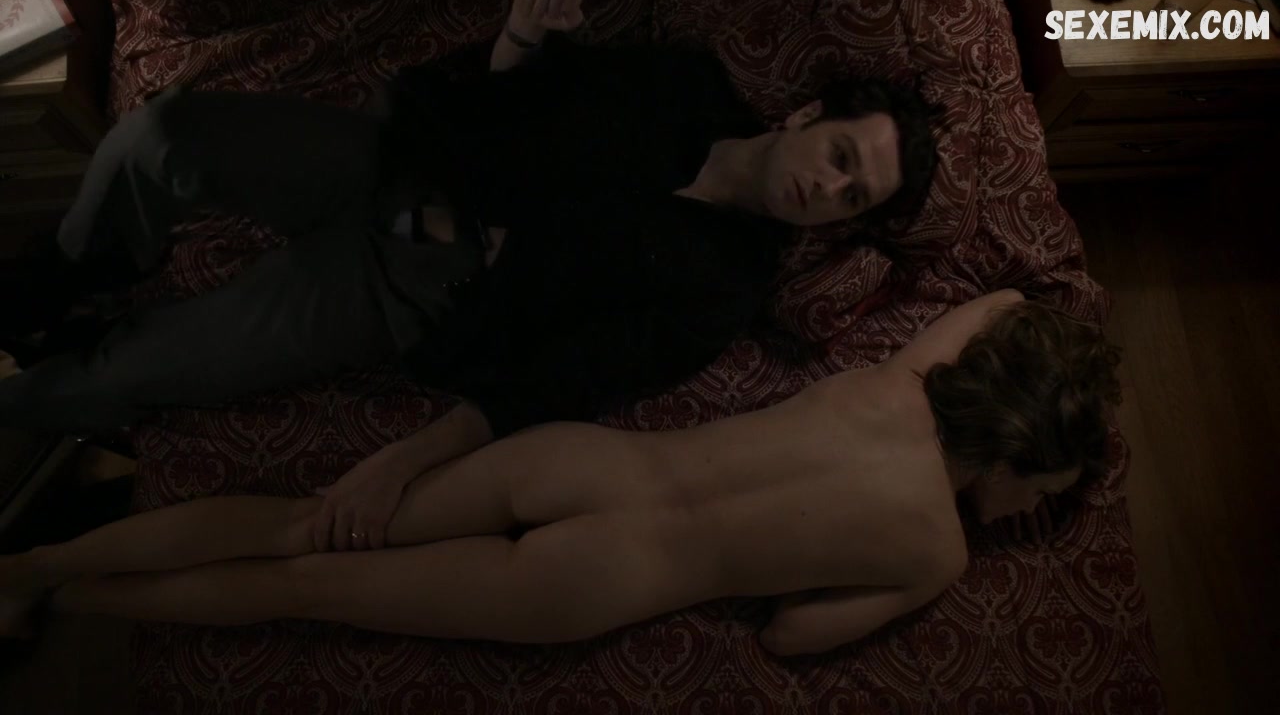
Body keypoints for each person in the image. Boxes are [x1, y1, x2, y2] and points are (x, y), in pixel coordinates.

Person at [0, 0, 938, 551]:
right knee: (154, 137)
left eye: (852, 197)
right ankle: (75, 272)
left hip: (410, 285)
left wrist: (399, 464)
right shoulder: (684, 84)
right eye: (842, 157)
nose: (828, 188)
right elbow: (518, 97)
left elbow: (565, 381)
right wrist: (522, 39)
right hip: (397, 162)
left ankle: (28, 393)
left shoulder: (725, 289)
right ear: (808, 117)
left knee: (128, 370)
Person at [0, 289, 1123, 654]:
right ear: (1025, 449)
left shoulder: (901, 384)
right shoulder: (936, 555)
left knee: (303, 529)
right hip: (605, 576)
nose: (1031, 513)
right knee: (311, 589)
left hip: (585, 468)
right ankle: (66, 597)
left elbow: (1005, 303)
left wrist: (1060, 370)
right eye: (1046, 491)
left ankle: (35, 566)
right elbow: (790, 635)